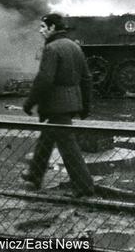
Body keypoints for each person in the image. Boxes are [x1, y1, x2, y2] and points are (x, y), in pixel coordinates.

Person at [22, 13, 95, 197]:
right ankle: (34, 176)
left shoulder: (52, 48)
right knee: (46, 139)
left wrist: (30, 102)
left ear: (52, 27)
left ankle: (84, 186)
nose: (40, 31)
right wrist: (85, 106)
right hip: (71, 103)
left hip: (56, 105)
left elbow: (44, 80)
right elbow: (86, 79)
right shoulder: (75, 47)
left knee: (68, 146)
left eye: (43, 27)